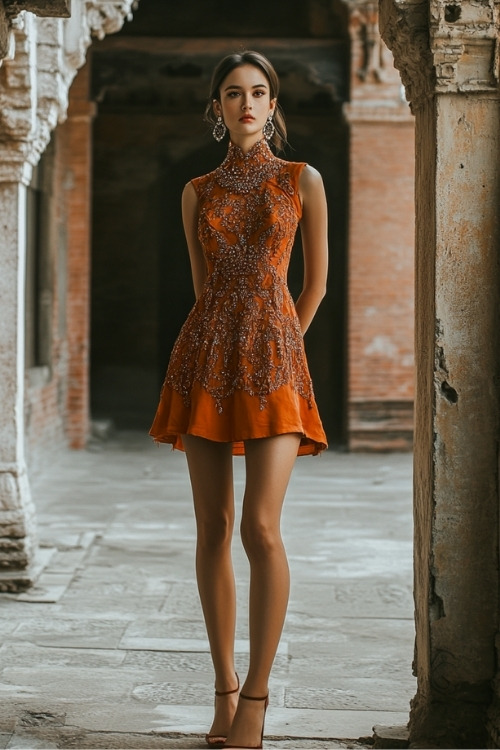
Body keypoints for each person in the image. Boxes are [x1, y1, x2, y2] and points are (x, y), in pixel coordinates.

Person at [150, 50, 328, 750]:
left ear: (273, 105)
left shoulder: (300, 179)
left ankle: (257, 696)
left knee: (261, 527)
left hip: (277, 362)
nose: (246, 104)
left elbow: (313, 285)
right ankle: (222, 691)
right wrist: (226, 340)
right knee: (212, 529)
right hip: (205, 359)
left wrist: (281, 344)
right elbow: (201, 290)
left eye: (258, 92)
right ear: (216, 107)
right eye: (233, 93)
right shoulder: (196, 191)